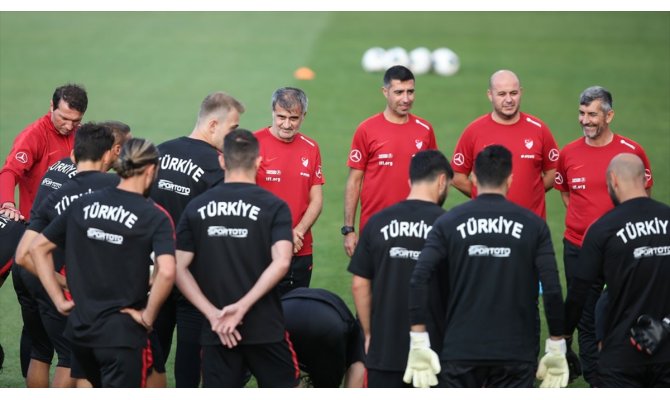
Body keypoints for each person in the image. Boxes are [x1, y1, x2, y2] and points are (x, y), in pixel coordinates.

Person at [405, 145, 567, 388]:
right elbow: (552, 289)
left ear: (473, 178)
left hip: (461, 349)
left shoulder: (448, 222)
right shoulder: (534, 225)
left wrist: (418, 339)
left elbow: (419, 279)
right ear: (510, 179)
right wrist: (556, 343)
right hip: (516, 350)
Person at [28, 138, 176, 387]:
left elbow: (36, 248)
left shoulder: (83, 204)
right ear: (150, 170)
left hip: (81, 328)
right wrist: (149, 317)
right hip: (122, 333)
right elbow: (168, 271)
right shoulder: (154, 214)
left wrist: (58, 299)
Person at [174, 129, 299, 388]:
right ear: (258, 161)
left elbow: (177, 267)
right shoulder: (275, 206)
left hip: (218, 331)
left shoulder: (196, 207)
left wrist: (212, 314)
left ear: (222, 161)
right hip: (265, 328)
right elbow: (283, 261)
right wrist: (243, 306)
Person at [554, 86, 654, 386]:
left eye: (592, 114)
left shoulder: (631, 152)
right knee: (585, 317)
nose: (585, 120)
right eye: (582, 113)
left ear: (609, 115)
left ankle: (629, 368)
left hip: (622, 251)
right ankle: (598, 381)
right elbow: (567, 194)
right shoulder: (568, 153)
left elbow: (642, 196)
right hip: (578, 247)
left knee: (627, 309)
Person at [149, 91, 244, 387]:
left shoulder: (159, 153)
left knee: (152, 356)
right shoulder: (218, 166)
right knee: (190, 362)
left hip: (154, 272)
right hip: (195, 278)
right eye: (232, 129)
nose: (233, 137)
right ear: (213, 124)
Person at [14, 122, 119, 388]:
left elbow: (23, 254)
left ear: (73, 155)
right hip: (54, 274)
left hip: (25, 274)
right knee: (70, 358)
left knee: (40, 350)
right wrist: (65, 284)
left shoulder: (56, 181)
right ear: (107, 155)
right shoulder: (113, 186)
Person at [347, 149, 452, 387]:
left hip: (384, 349)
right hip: (434, 350)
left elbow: (359, 284)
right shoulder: (448, 226)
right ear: (442, 181)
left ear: (409, 180)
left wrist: (369, 334)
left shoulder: (378, 222)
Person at [563, 153, 669, 387]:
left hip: (621, 358)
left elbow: (580, 292)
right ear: (643, 179)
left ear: (613, 180)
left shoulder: (602, 229)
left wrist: (563, 339)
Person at [343, 65, 438, 257]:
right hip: (375, 227)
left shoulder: (425, 130)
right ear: (385, 92)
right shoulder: (367, 129)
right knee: (373, 286)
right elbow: (354, 181)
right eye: (399, 92)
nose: (406, 98)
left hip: (415, 227)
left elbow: (433, 181)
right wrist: (349, 229)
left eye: (410, 92)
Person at [451, 69, 558, 219]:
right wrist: (483, 195)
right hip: (487, 224)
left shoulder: (539, 129)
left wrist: (533, 192)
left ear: (521, 92)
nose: (509, 100)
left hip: (530, 223)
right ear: (490, 95)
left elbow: (554, 171)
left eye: (513, 93)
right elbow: (457, 176)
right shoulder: (474, 131)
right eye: (502, 94)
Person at [255, 87, 325, 295]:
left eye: (294, 118)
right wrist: (281, 235)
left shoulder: (311, 148)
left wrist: (299, 231)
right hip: (261, 248)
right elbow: (245, 198)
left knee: (295, 316)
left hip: (300, 248)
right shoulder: (253, 144)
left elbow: (316, 200)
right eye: (281, 117)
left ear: (304, 116)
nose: (287, 124)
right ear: (272, 113)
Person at [0, 83, 88, 221]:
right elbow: (9, 172)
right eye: (64, 118)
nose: (69, 126)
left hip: (71, 223)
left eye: (76, 120)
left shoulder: (82, 134)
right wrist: (7, 204)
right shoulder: (33, 136)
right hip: (38, 226)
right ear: (52, 106)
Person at [281, 287, 366, 388]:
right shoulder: (355, 333)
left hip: (284, 311)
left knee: (281, 378)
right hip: (329, 323)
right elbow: (357, 366)